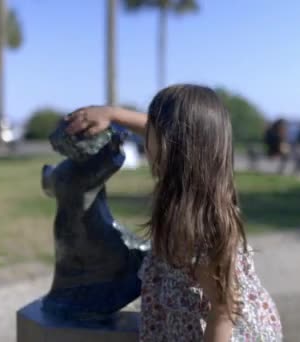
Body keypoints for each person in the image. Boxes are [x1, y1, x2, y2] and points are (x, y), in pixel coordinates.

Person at [65, 85, 282, 341]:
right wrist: (112, 114)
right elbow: (160, 129)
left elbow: (223, 311)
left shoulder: (201, 224)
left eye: (153, 132)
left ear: (173, 145)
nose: (145, 138)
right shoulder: (187, 190)